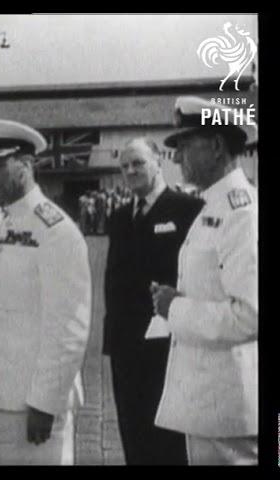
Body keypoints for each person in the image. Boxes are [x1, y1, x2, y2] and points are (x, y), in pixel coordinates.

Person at [0, 118, 91, 465]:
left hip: (29, 401)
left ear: (26, 163)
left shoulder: (56, 230)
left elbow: (68, 326)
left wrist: (46, 401)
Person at [151, 96, 258, 465]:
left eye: (184, 145)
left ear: (215, 146)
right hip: (212, 404)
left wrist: (174, 308)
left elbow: (250, 315)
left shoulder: (241, 213)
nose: (177, 158)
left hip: (229, 408)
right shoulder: (215, 206)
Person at [102, 137, 204, 465]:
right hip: (126, 347)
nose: (130, 171)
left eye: (139, 163)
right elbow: (114, 283)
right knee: (133, 434)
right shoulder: (118, 217)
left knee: (168, 440)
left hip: (168, 346)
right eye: (125, 166)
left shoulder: (188, 210)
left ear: (158, 161)